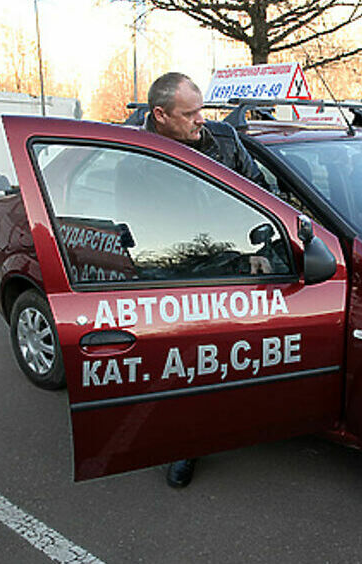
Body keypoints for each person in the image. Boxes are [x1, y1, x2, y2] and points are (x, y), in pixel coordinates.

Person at [144, 72, 263, 489]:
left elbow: (262, 196)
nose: (202, 121)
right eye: (190, 114)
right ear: (160, 115)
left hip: (231, 267)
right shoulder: (133, 152)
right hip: (171, 275)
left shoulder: (225, 141)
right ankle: (184, 444)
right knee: (185, 365)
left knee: (238, 355)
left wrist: (263, 250)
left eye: (203, 110)